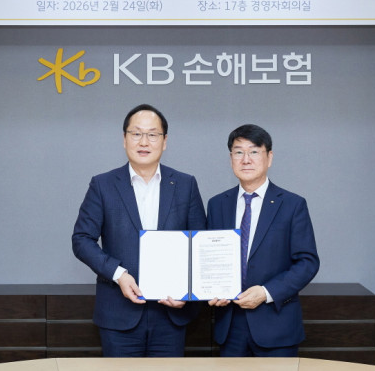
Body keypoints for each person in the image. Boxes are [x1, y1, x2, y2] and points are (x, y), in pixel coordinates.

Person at [72, 104, 207, 357]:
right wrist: (119, 274)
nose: (144, 142)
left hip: (171, 314)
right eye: (136, 133)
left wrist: (189, 293)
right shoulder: (102, 184)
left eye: (153, 134)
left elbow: (200, 245)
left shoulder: (185, 184)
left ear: (164, 141)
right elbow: (82, 240)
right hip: (118, 314)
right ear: (124, 139)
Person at [207, 124, 319, 357]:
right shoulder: (217, 204)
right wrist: (211, 289)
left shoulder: (292, 204)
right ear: (231, 158)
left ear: (269, 157)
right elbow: (209, 257)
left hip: (276, 325)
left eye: (254, 151)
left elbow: (307, 262)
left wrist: (266, 292)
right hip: (230, 327)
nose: (246, 159)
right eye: (239, 152)